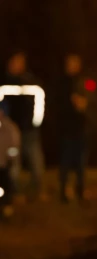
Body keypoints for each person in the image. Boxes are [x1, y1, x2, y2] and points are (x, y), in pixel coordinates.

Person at [1, 51, 45, 200]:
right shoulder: (3, 82)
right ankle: (14, 192)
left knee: (36, 161)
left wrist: (35, 122)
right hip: (10, 134)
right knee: (13, 164)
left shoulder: (31, 81)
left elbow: (39, 101)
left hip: (29, 131)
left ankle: (37, 190)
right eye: (15, 61)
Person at [55, 54, 90, 203]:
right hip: (66, 130)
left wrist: (84, 105)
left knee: (81, 163)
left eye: (75, 63)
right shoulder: (61, 83)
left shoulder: (85, 81)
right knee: (65, 162)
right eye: (70, 63)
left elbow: (92, 99)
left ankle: (80, 191)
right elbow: (56, 105)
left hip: (81, 129)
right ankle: (63, 192)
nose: (72, 66)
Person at [0, 103, 20, 219]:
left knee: (5, 186)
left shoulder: (10, 128)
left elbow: (14, 147)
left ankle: (6, 206)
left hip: (4, 165)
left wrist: (10, 160)